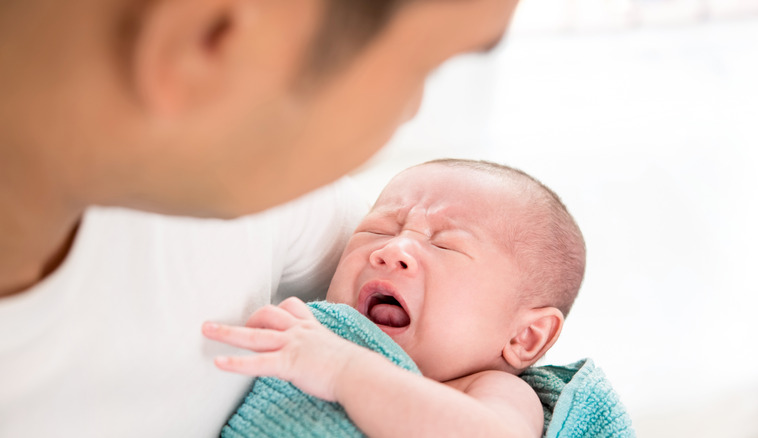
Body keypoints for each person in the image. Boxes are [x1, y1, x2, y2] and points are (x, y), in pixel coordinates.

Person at [0, 0, 521, 436]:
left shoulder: (265, 196)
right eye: (421, 67)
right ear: (207, 40)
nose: (409, 113)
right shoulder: (241, 179)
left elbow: (487, 317)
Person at [203, 159, 586, 437]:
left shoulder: (492, 390)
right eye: (380, 229)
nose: (393, 250)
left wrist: (343, 370)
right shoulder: (310, 334)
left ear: (526, 337)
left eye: (445, 245)